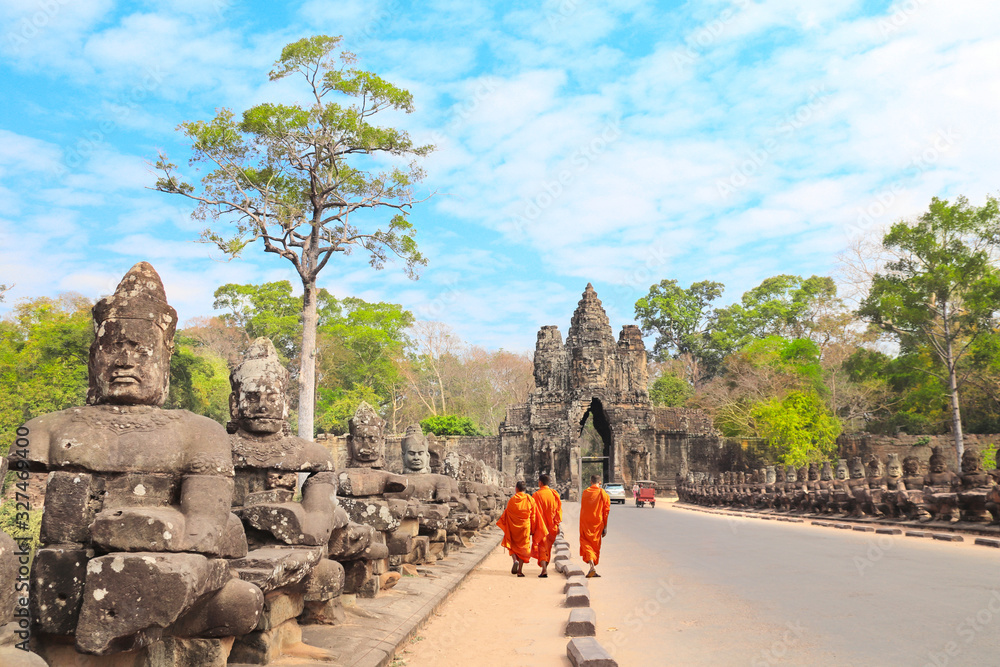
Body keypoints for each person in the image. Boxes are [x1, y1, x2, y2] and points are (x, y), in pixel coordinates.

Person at [497, 481, 547, 577]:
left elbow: (507, 514)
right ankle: (519, 571)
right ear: (525, 489)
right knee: (523, 548)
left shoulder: (512, 500)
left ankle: (514, 560)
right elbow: (533, 516)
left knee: (512, 544)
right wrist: (532, 529)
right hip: (525, 527)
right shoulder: (529, 499)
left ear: (516, 489)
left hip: (513, 527)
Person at [580, 474, 611, 578]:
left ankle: (591, 566)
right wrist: (605, 526)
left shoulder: (585, 492)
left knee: (586, 542)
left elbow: (584, 508)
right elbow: (606, 511)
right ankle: (592, 566)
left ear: (590, 482)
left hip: (585, 522)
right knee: (594, 545)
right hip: (597, 523)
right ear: (600, 482)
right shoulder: (603, 493)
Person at [531, 474, 562, 578]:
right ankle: (545, 566)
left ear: (540, 483)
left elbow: (533, 513)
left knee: (542, 547)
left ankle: (544, 569)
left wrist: (532, 527)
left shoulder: (536, 495)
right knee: (547, 547)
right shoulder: (554, 494)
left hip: (540, 526)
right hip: (552, 526)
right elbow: (558, 511)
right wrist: (558, 525)